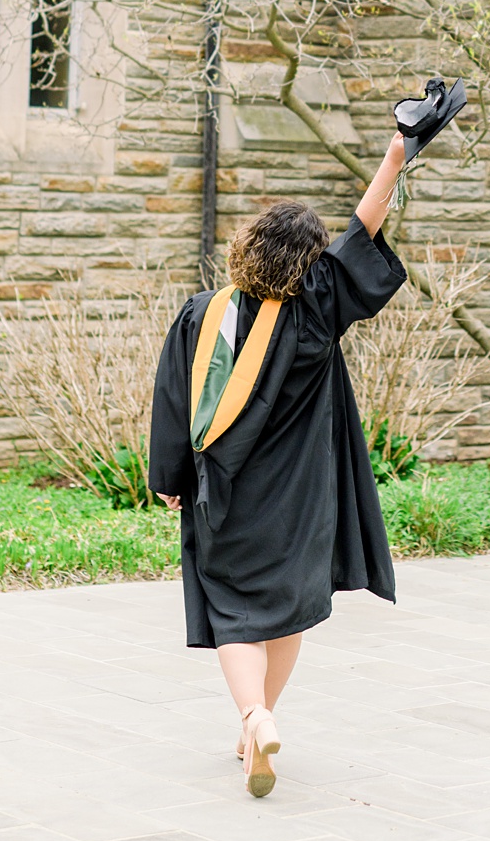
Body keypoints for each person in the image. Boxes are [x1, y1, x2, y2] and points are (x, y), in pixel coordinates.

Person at [148, 131, 411, 798]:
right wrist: (395, 155)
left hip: (226, 493)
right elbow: (364, 225)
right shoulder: (315, 308)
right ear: (308, 264)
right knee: (286, 613)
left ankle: (253, 716)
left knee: (232, 609)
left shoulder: (200, 316)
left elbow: (175, 401)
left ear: (247, 246)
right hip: (302, 500)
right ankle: (259, 726)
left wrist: (170, 478)